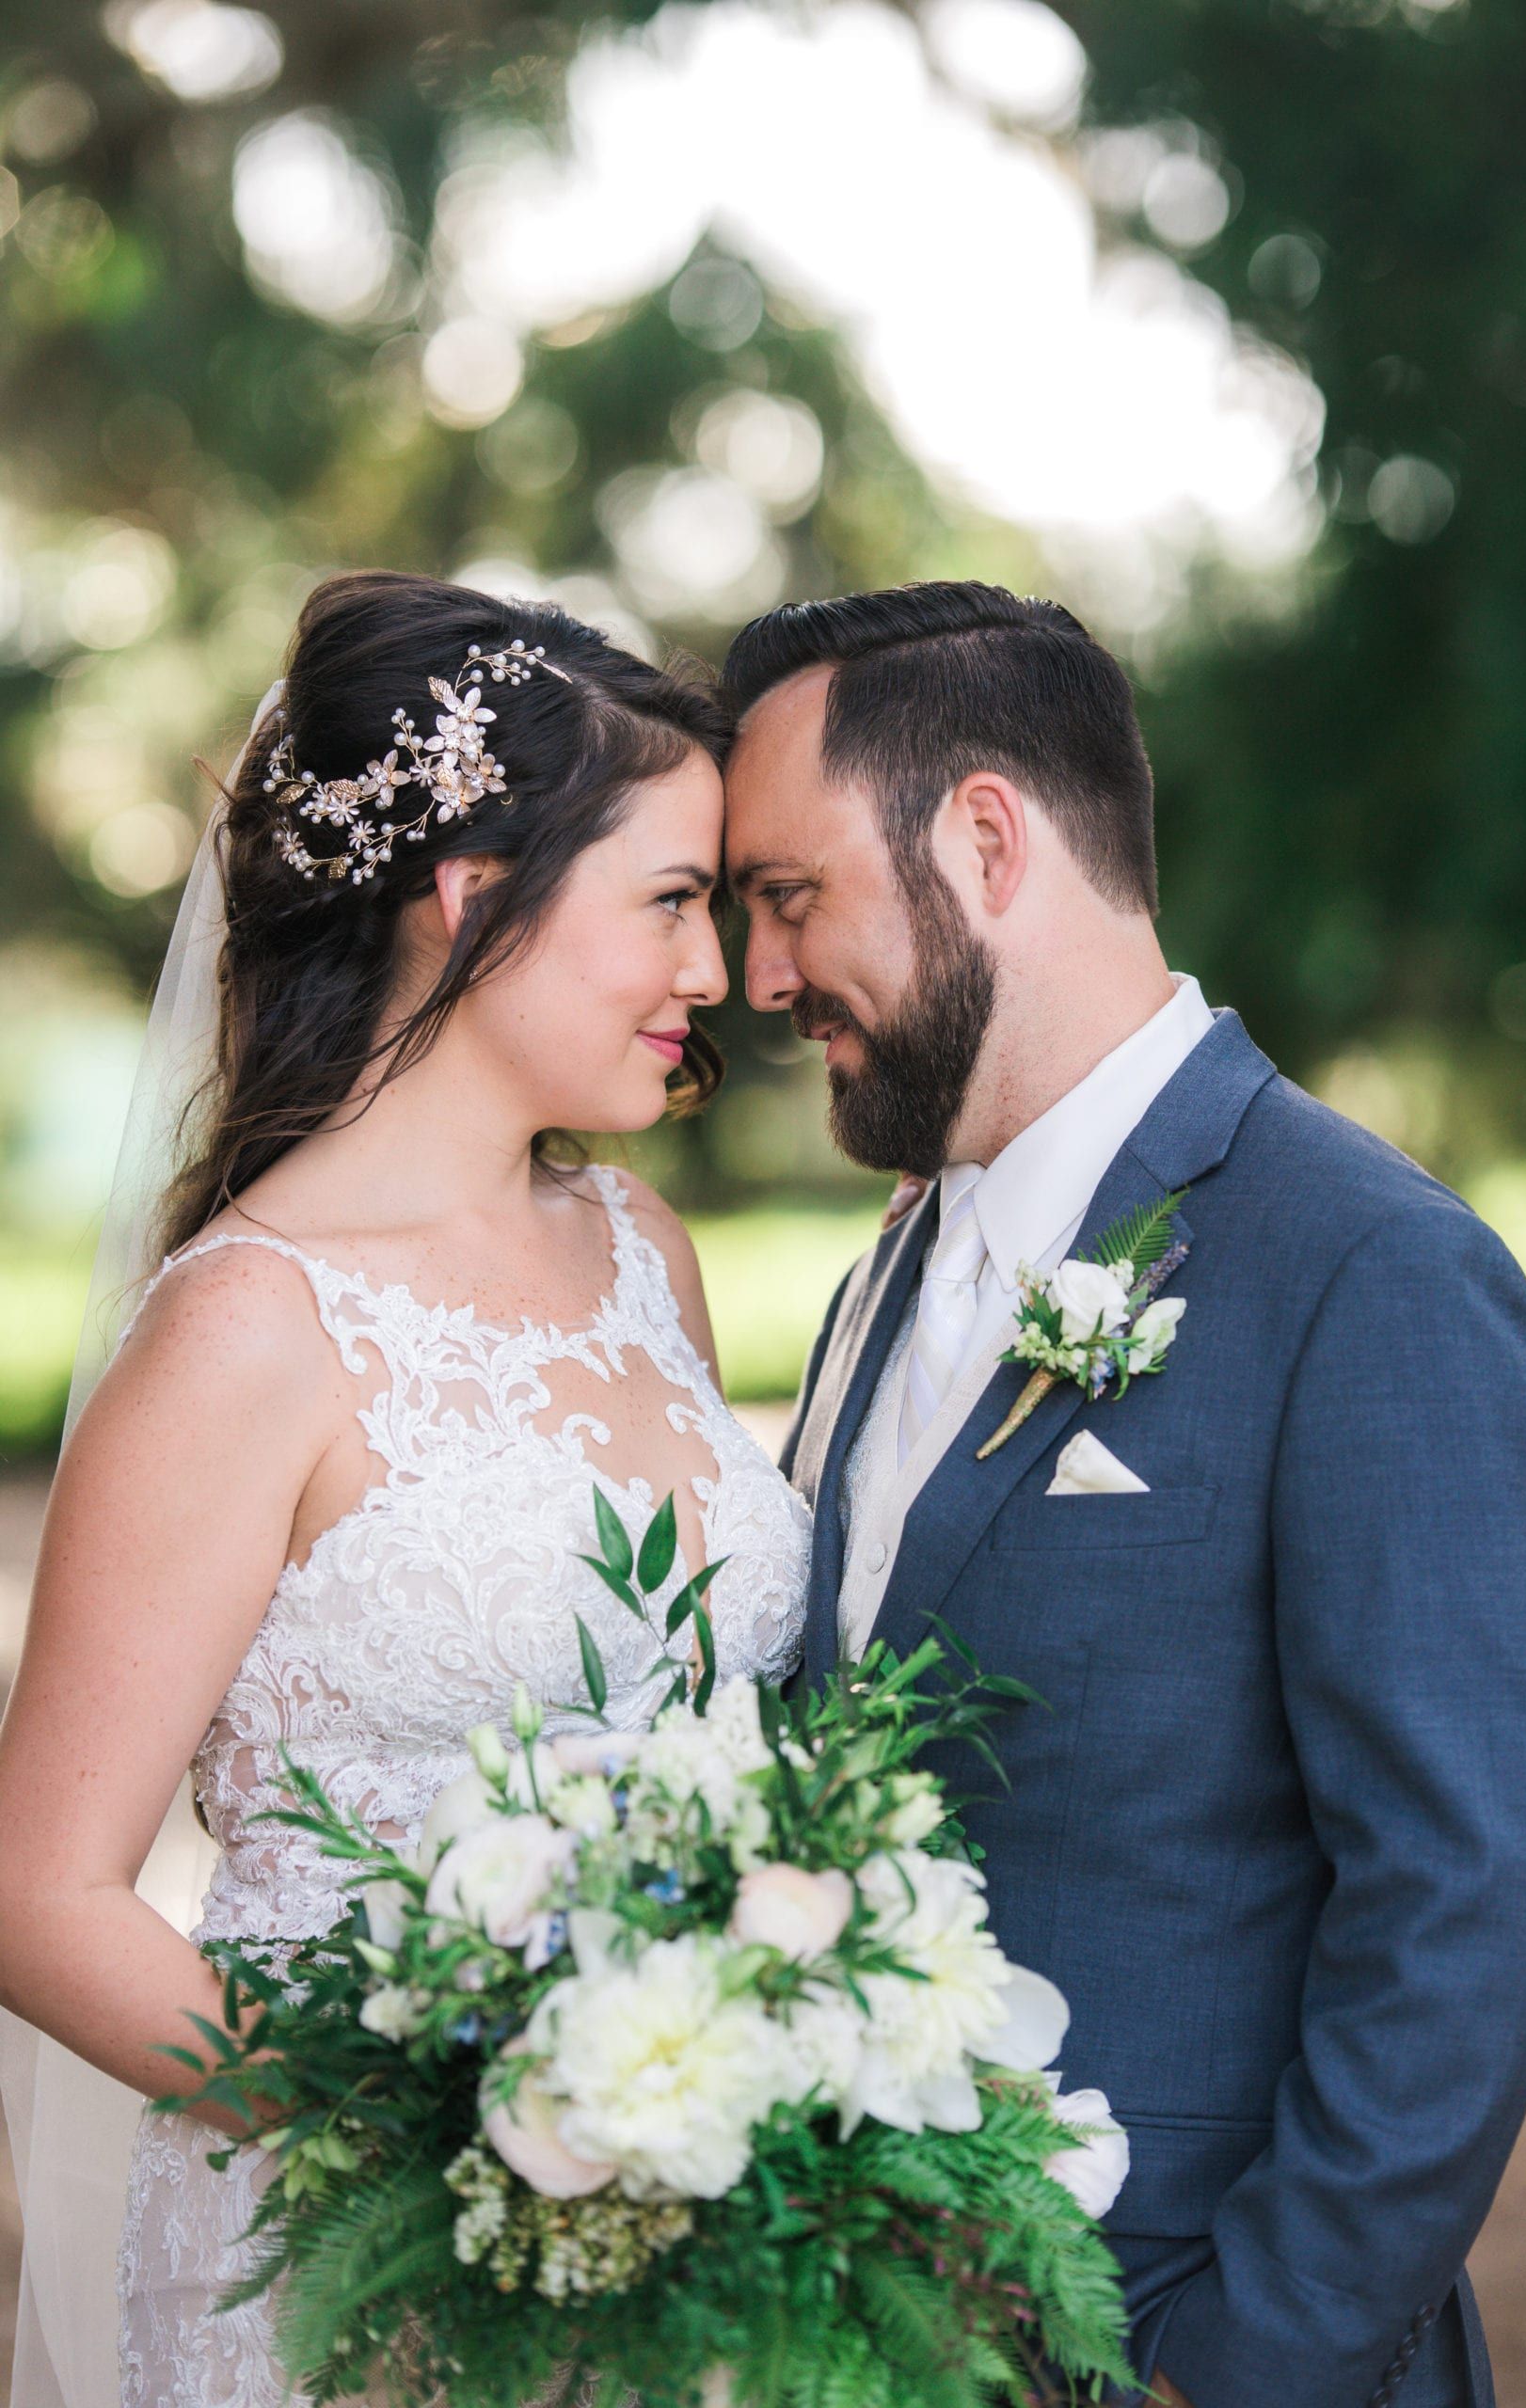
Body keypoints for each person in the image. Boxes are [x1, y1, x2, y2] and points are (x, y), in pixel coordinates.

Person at [721, 578, 1526, 2408]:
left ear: (980, 836)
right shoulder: (886, 1265)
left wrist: (1230, 2366)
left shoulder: (1362, 1264)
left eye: (787, 894)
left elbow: (1474, 1881)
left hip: (1183, 2330)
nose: (757, 977)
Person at [0, 570, 811, 2408]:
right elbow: (39, 1888)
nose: (715, 973)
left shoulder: (639, 1246)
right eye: (673, 900)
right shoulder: (243, 1330)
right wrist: (449, 2137)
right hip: (361, 2267)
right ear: (473, 894)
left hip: (694, 2236)